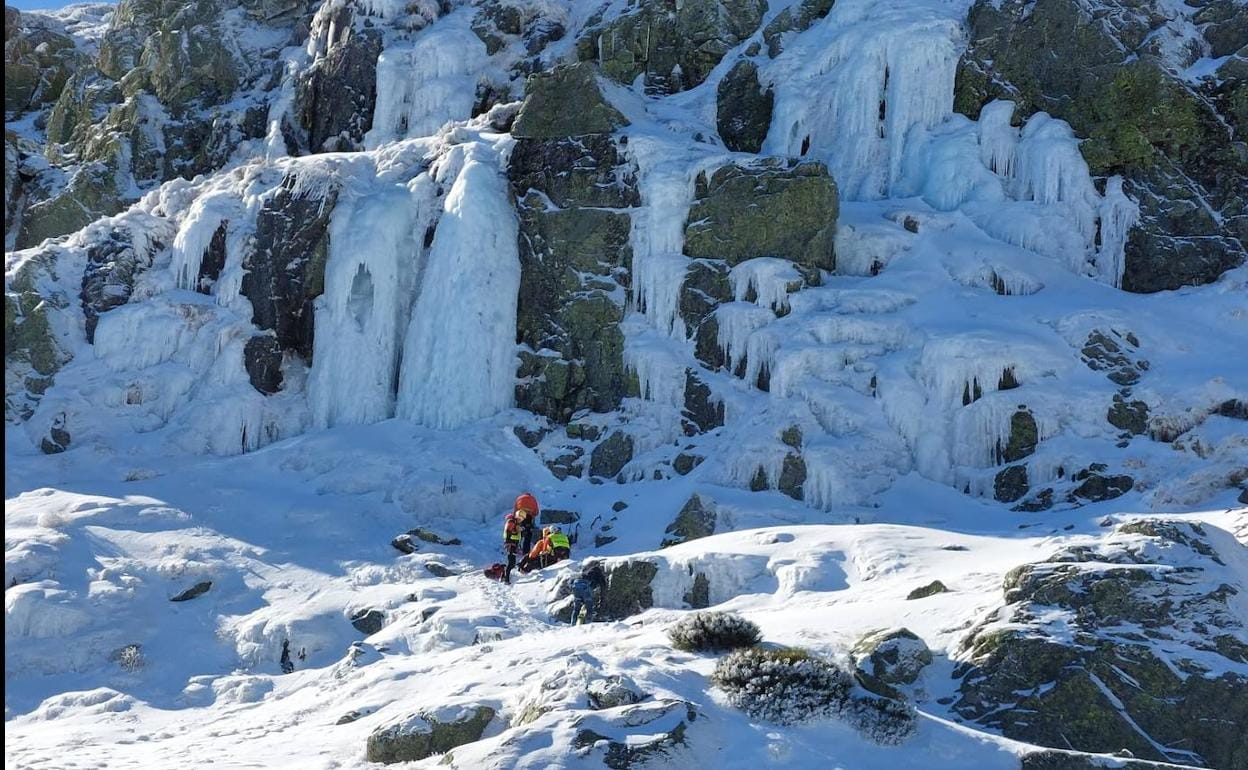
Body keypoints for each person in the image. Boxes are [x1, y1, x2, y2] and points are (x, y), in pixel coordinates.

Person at [570, 560, 607, 625]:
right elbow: (603, 586)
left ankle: (573, 624)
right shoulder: (598, 572)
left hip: (576, 585)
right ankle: (588, 625)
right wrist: (601, 601)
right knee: (589, 607)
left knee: (577, 608)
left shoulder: (587, 570)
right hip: (585, 586)